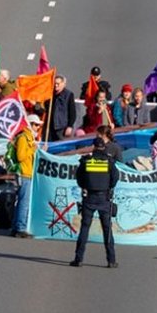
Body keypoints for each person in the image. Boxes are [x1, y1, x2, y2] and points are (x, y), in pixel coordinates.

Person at [70, 137, 120, 268]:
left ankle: (78, 259)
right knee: (107, 230)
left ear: (93, 147)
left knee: (84, 229)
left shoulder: (86, 161)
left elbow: (79, 178)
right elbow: (115, 177)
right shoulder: (108, 161)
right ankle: (111, 260)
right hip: (104, 198)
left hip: (89, 197)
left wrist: (85, 186)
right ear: (104, 147)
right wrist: (108, 187)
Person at [9, 114, 40, 237]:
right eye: (36, 125)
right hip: (24, 173)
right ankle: (20, 228)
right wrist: (32, 149)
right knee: (24, 202)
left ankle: (16, 227)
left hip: (26, 172)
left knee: (22, 201)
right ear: (31, 124)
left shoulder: (29, 138)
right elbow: (21, 156)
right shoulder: (23, 138)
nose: (38, 127)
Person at [49, 76, 78, 141]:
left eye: (58, 84)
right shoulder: (51, 94)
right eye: (55, 83)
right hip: (51, 127)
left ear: (63, 84)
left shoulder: (69, 95)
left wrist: (70, 126)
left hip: (62, 127)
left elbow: (72, 112)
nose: (56, 85)